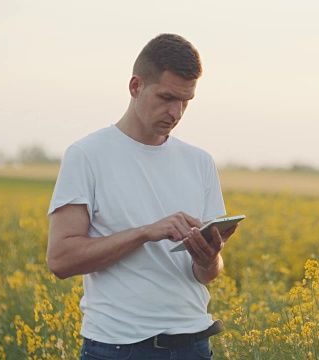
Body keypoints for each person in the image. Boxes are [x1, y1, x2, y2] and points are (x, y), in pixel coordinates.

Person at [47, 33, 237, 359]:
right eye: (166, 97)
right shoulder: (87, 155)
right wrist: (146, 232)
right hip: (118, 347)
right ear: (136, 87)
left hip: (194, 344)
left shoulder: (200, 162)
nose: (176, 112)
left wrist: (209, 259)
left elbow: (206, 274)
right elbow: (61, 260)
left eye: (185, 101)